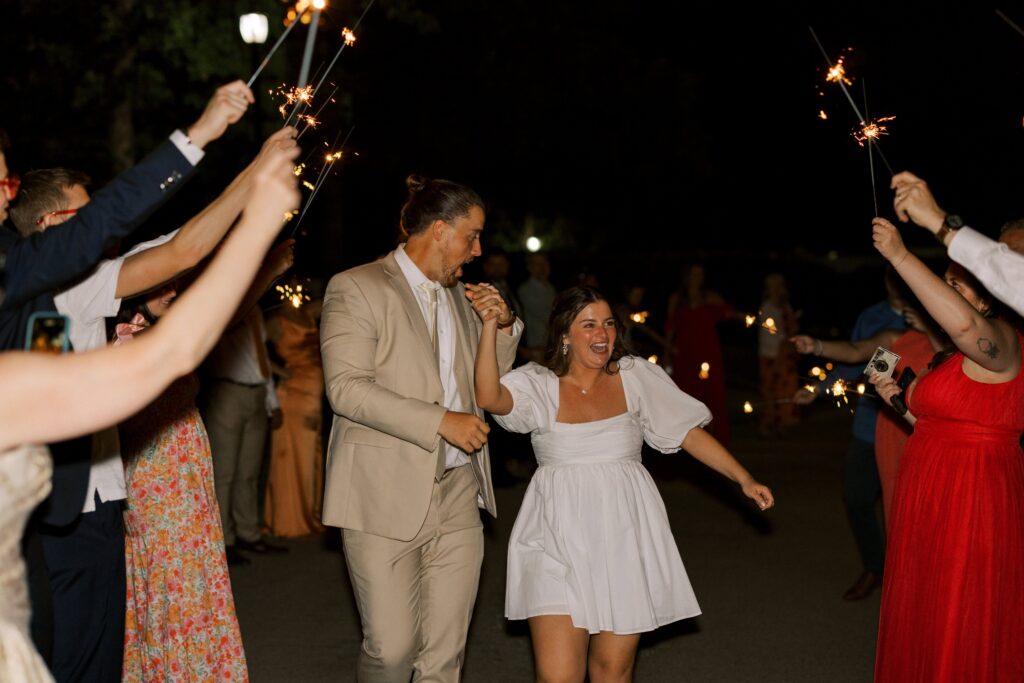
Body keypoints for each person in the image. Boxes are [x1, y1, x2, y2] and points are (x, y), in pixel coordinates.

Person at [0, 139, 300, 683]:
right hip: (72, 505)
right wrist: (254, 187)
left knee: (99, 654)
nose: (104, 229)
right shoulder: (65, 286)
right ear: (48, 225)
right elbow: (180, 250)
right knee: (77, 659)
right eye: (85, 216)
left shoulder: (58, 290)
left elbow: (175, 245)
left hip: (95, 497)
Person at [474, 284, 773, 682]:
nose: (603, 335)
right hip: (553, 535)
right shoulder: (538, 384)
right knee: (557, 676)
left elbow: (686, 432)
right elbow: (488, 396)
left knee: (611, 671)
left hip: (623, 535)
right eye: (589, 325)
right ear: (565, 334)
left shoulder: (634, 376)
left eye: (609, 324)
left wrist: (744, 478)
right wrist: (489, 326)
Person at [320, 174, 522, 681]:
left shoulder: (460, 296)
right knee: (391, 651)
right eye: (471, 236)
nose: (477, 251)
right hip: (381, 493)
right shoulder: (356, 286)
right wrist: (440, 421)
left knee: (443, 657)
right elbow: (346, 388)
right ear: (438, 230)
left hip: (458, 493)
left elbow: (487, 389)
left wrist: (501, 327)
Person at [869, 215, 1024, 681]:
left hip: (972, 496)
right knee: (925, 609)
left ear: (987, 299)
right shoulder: (953, 358)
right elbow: (939, 425)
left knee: (962, 614)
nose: (953, 278)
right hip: (930, 491)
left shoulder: (1003, 343)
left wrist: (900, 254)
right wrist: (897, 399)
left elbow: (963, 328)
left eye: (962, 278)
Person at [790, 270, 908, 601]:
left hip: (915, 433)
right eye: (891, 276)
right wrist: (818, 385)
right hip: (872, 426)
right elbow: (856, 357)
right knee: (857, 496)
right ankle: (875, 567)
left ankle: (906, 580)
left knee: (904, 510)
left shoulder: (931, 319)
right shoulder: (876, 321)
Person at [891, 171, 1024, 318]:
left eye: (1018, 255)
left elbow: (967, 328)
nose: (1006, 263)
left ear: (985, 302)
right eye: (1003, 252)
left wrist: (934, 218)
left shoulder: (1005, 335)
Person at [263, 290, 326, 537]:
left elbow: (332, 295)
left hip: (313, 393)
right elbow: (252, 348)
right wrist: (279, 370)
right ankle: (287, 520)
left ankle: (309, 512)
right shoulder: (275, 321)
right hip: (293, 393)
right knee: (290, 455)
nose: (294, 292)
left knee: (311, 453)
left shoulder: (307, 313)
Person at [665, 264, 736, 446]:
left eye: (701, 274)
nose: (698, 277)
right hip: (685, 354)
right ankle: (685, 442)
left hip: (708, 353)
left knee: (713, 397)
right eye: (694, 273)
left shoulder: (710, 297)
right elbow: (670, 329)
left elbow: (729, 313)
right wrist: (667, 353)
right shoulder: (677, 299)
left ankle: (715, 443)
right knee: (686, 396)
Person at [757, 274, 800, 437]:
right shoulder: (767, 308)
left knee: (786, 391)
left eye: (778, 286)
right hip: (771, 356)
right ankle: (767, 423)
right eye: (772, 286)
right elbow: (771, 334)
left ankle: (783, 424)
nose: (776, 290)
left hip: (786, 356)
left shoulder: (785, 306)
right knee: (770, 390)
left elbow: (791, 328)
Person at [517, 251, 556, 362]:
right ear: (529, 267)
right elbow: (547, 315)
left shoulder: (550, 288)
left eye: (544, 263)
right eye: (537, 264)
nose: (542, 267)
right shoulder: (525, 290)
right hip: (536, 347)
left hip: (551, 345)